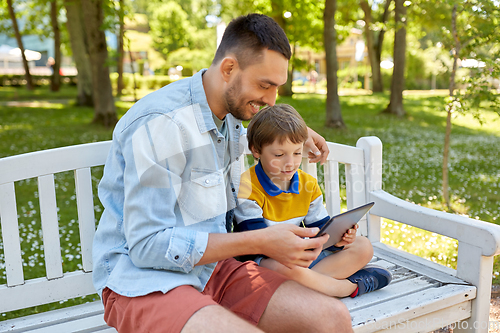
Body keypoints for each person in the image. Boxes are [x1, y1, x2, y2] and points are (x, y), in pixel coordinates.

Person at [93, 14, 353, 333]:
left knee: (333, 319)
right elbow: (148, 245)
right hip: (145, 283)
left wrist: (298, 133)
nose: (271, 100)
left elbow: (248, 138)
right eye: (264, 85)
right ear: (229, 69)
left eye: (276, 87)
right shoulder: (163, 124)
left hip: (213, 271)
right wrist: (262, 240)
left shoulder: (228, 119)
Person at [234, 104, 392, 298]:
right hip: (268, 262)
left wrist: (339, 240)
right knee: (276, 267)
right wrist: (298, 252)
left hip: (302, 259)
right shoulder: (247, 186)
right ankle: (349, 287)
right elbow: (256, 243)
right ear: (256, 151)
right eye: (279, 155)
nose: (290, 162)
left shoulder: (307, 184)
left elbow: (320, 232)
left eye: (297, 153)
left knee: (363, 246)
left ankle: (298, 288)